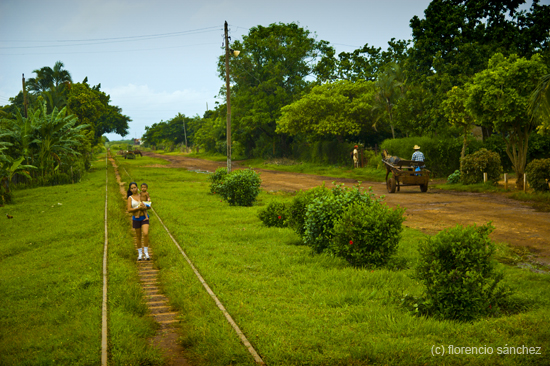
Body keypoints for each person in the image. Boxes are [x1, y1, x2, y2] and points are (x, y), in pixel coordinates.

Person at [127, 182, 151, 261]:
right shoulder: (130, 198)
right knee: (138, 236)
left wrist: (146, 206)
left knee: (145, 233)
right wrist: (138, 208)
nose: (134, 189)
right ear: (130, 189)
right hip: (136, 218)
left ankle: (146, 252)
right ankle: (140, 253)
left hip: (144, 217)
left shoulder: (142, 194)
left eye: (135, 187)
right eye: (132, 188)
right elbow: (129, 209)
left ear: (138, 187)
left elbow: (149, 206)